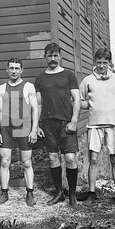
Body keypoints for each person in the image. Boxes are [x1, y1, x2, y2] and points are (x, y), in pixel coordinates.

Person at [79, 48, 115, 206]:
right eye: (99, 62)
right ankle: (91, 194)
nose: (101, 66)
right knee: (93, 159)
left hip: (112, 124)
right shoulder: (88, 80)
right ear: (95, 62)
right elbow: (78, 100)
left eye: (105, 62)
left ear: (109, 63)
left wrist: (111, 105)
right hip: (94, 125)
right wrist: (92, 105)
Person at [35, 43, 80, 206]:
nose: (52, 58)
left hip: (66, 122)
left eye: (55, 55)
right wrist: (37, 125)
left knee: (69, 158)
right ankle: (59, 193)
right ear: (45, 57)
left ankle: (72, 194)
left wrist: (74, 121)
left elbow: (77, 99)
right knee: (53, 157)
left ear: (60, 57)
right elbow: (38, 104)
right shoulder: (40, 78)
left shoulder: (69, 75)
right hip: (47, 123)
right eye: (49, 55)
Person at [0, 58, 38, 207]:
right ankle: (4, 193)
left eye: (16, 68)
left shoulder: (28, 87)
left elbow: (34, 110)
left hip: (24, 127)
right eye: (11, 68)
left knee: (26, 162)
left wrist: (33, 130)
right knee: (5, 161)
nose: (14, 71)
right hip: (6, 127)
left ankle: (30, 193)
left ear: (21, 70)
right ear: (7, 70)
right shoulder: (1, 88)